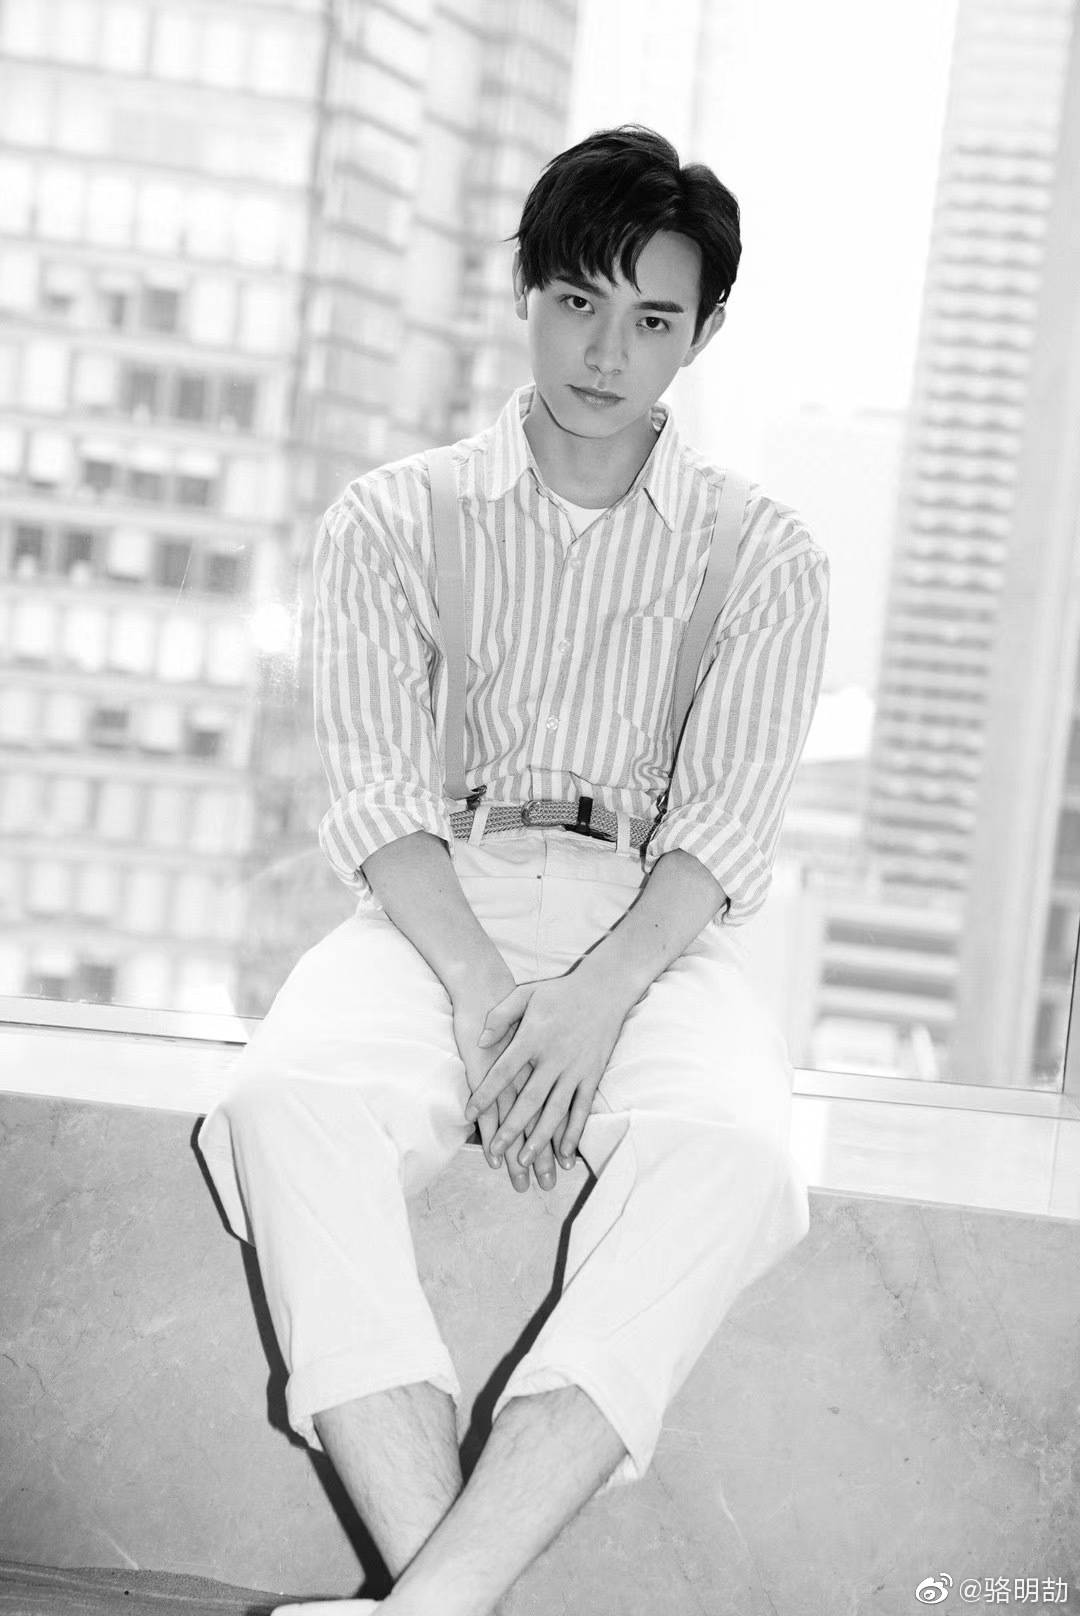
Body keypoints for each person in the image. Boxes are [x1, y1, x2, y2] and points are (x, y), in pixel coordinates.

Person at [196, 125, 830, 1616]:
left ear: (703, 333)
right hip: (438, 901)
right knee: (288, 1101)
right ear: (527, 295)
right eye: (578, 302)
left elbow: (725, 829)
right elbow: (374, 794)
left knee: (734, 1155)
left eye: (654, 319)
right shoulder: (391, 518)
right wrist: (488, 996)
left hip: (652, 924)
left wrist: (596, 1000)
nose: (608, 353)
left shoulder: (765, 554)